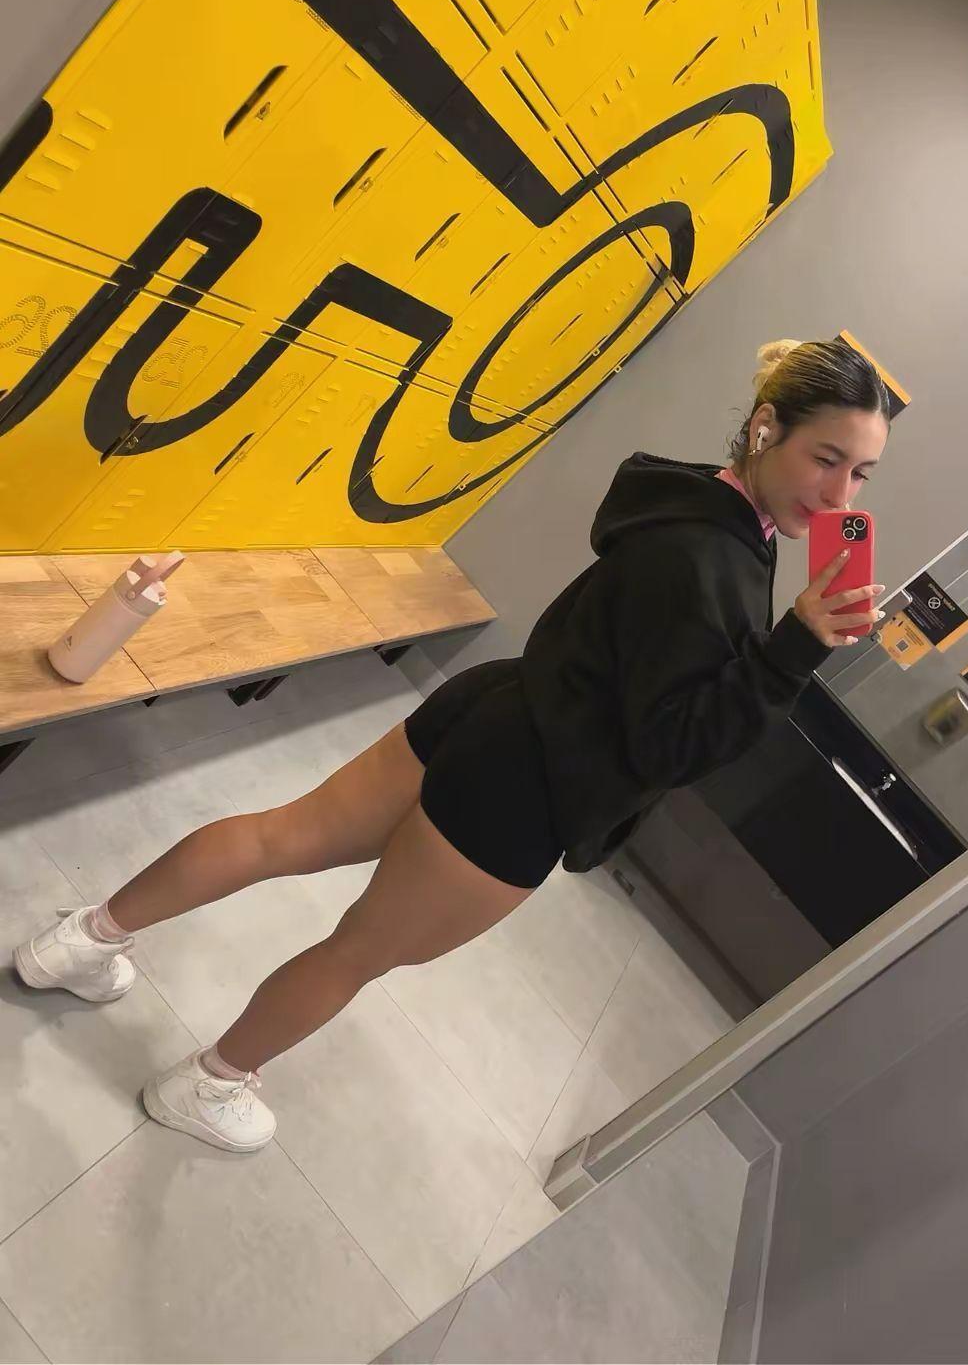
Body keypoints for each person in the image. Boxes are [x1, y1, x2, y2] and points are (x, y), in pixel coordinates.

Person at [13, 337, 891, 1153]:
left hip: (497, 706)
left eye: (859, 473)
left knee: (282, 835)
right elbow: (670, 746)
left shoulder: (694, 501)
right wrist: (792, 649)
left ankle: (82, 940)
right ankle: (209, 1084)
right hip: (530, 789)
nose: (840, 496)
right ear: (766, 425)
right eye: (826, 459)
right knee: (359, 951)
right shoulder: (714, 561)